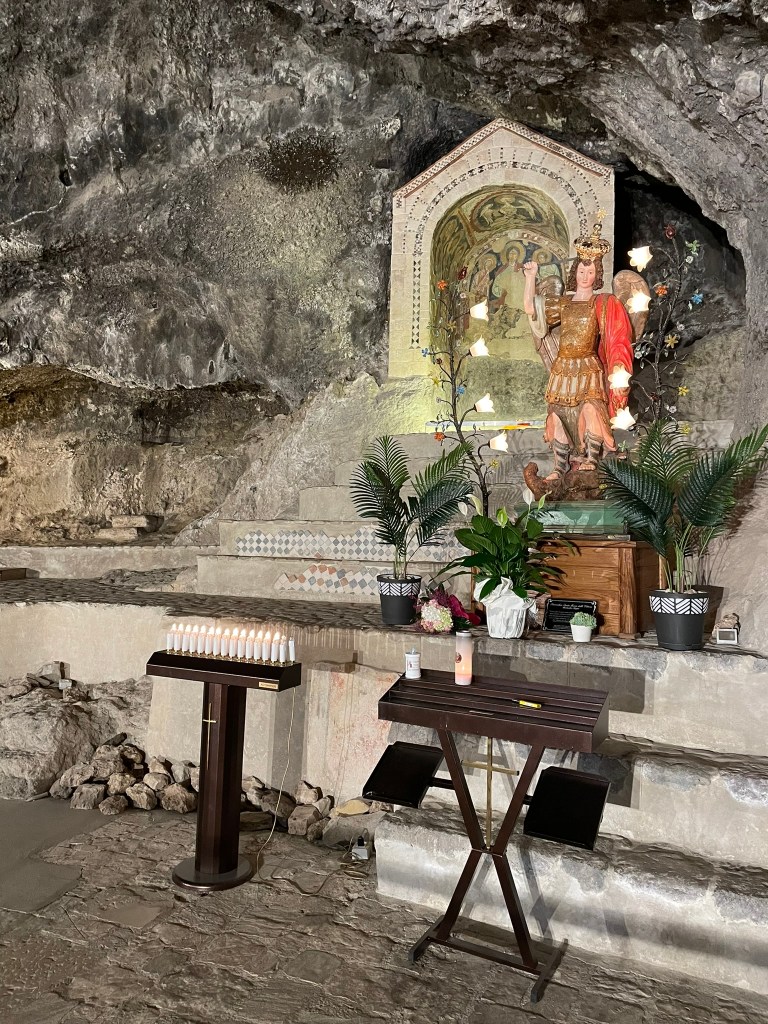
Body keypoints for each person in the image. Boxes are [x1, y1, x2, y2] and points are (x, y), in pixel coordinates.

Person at [522, 222, 634, 481]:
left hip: (588, 366)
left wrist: (618, 370)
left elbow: (617, 336)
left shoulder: (604, 302)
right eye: (582, 269)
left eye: (591, 270)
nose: (585, 275)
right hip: (563, 368)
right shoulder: (563, 303)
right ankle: (560, 466)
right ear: (576, 271)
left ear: (597, 275)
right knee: (557, 416)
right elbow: (530, 308)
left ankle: (592, 458)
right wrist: (531, 277)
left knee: (590, 410)